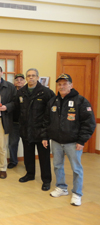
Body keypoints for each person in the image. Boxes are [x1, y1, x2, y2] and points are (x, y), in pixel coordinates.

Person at [42, 73, 96, 206]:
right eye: (59, 84)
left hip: (73, 142)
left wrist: (81, 141)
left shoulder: (81, 101)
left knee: (76, 168)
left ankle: (77, 193)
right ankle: (61, 187)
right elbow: (46, 121)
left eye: (65, 84)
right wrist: (45, 136)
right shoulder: (52, 101)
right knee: (57, 165)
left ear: (71, 85)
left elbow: (89, 123)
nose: (62, 86)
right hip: (56, 141)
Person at [15, 68, 55, 191]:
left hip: (41, 131)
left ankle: (46, 180)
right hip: (26, 130)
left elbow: (52, 113)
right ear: (26, 78)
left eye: (33, 75)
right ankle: (30, 174)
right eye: (29, 76)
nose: (31, 78)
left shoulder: (46, 92)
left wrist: (47, 132)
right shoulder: (21, 92)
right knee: (28, 155)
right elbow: (17, 111)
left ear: (38, 77)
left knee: (44, 157)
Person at [8, 73, 26, 169]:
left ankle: (28, 162)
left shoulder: (27, 93)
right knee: (12, 144)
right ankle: (13, 161)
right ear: (14, 82)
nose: (19, 81)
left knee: (27, 144)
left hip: (25, 124)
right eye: (17, 80)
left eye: (21, 79)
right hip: (13, 123)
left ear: (24, 81)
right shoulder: (11, 93)